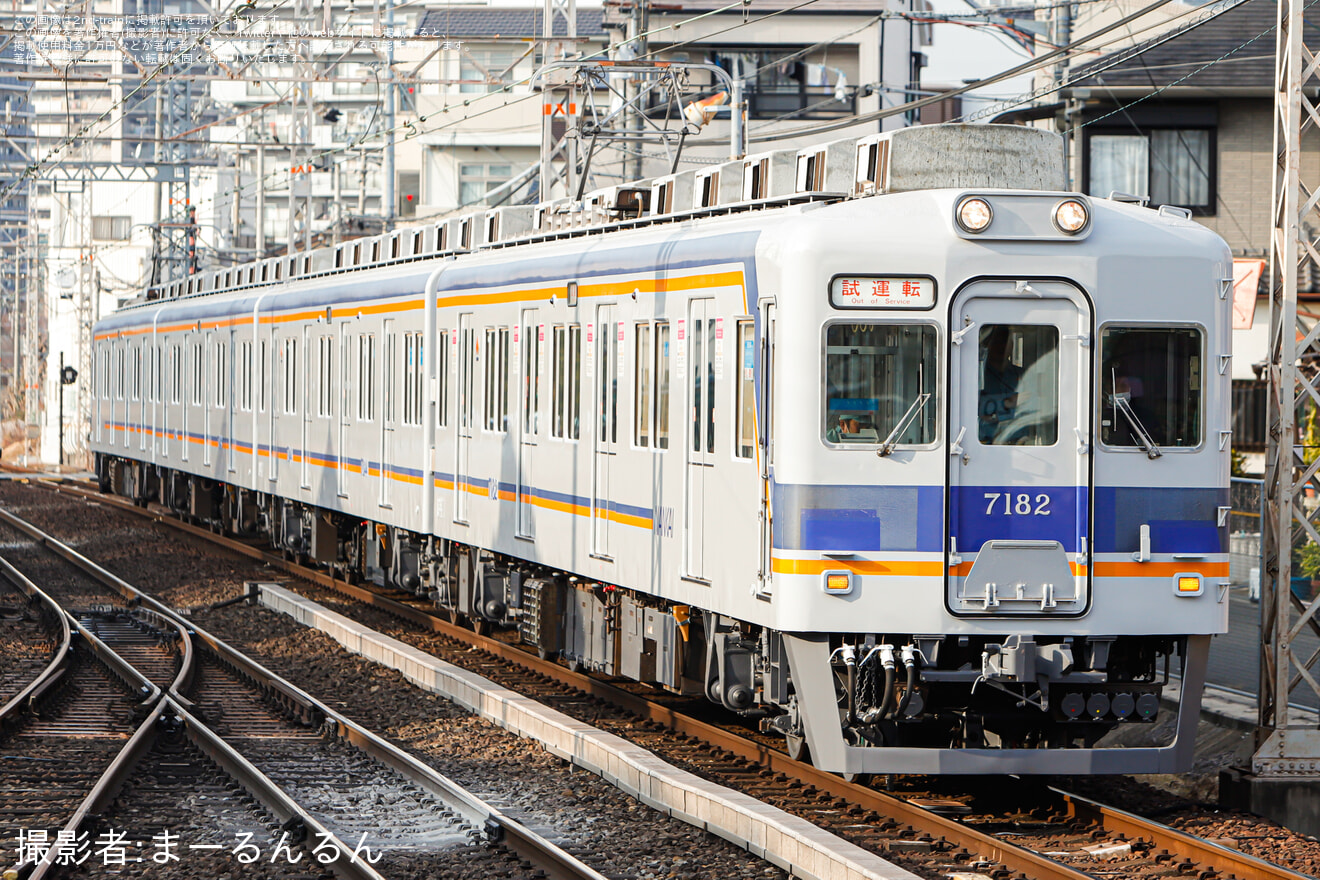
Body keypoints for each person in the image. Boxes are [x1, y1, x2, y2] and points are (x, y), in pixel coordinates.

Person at [979, 326, 1022, 443]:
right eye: (997, 342)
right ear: (988, 345)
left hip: (1022, 444)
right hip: (983, 445)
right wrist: (1007, 404)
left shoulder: (1023, 375)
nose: (1001, 347)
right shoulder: (975, 376)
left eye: (1005, 342)